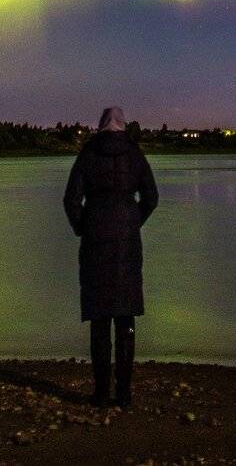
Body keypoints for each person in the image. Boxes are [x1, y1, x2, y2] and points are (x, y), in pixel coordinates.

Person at [63, 106, 159, 407]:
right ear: (124, 125)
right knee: (126, 316)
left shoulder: (88, 154)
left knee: (100, 318)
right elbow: (152, 198)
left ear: (101, 126)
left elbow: (71, 200)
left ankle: (102, 393)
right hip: (127, 241)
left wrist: (82, 227)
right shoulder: (135, 155)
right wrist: (134, 220)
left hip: (96, 238)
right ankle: (125, 393)